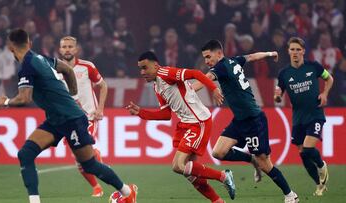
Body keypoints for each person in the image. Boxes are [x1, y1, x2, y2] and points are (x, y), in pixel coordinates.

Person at [0, 28, 137, 203]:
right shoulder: (41, 58)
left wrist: (6, 102)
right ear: (30, 43)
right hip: (56, 119)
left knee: (89, 164)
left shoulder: (27, 65)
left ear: (10, 48)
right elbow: (67, 71)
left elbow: (25, 97)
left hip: (72, 120)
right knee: (25, 154)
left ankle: (127, 192)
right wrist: (72, 95)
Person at [193, 39, 299, 203]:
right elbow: (252, 56)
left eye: (208, 57)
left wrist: (186, 91)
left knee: (265, 164)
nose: (206, 61)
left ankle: (290, 195)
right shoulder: (234, 61)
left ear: (219, 53)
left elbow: (205, 80)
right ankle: (251, 159)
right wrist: (270, 54)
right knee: (218, 152)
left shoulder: (220, 67)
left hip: (254, 120)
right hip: (240, 120)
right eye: (205, 58)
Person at [126, 51, 235, 203]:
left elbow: (196, 73)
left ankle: (223, 176)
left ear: (156, 65)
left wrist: (214, 89)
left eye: (145, 68)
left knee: (178, 166)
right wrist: (141, 113)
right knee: (191, 172)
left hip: (199, 122)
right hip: (186, 124)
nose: (142, 72)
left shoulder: (166, 73)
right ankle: (217, 201)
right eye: (140, 69)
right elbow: (165, 115)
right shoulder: (157, 86)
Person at [274, 37, 333, 196]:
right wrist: (278, 97)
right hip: (298, 118)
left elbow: (329, 78)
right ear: (288, 51)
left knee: (308, 148)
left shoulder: (313, 66)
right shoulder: (284, 73)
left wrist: (325, 93)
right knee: (302, 152)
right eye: (292, 49)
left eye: (298, 50)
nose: (295, 52)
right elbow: (278, 95)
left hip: (315, 114)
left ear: (303, 51)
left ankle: (321, 165)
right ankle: (319, 185)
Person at [59, 36, 107, 197]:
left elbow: (103, 85)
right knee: (78, 157)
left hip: (89, 116)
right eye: (64, 47)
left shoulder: (87, 67)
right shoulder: (55, 70)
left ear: (76, 49)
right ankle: (97, 186)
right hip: (68, 119)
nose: (67, 49)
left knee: (83, 150)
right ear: (60, 50)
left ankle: (105, 181)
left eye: (70, 46)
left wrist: (100, 109)